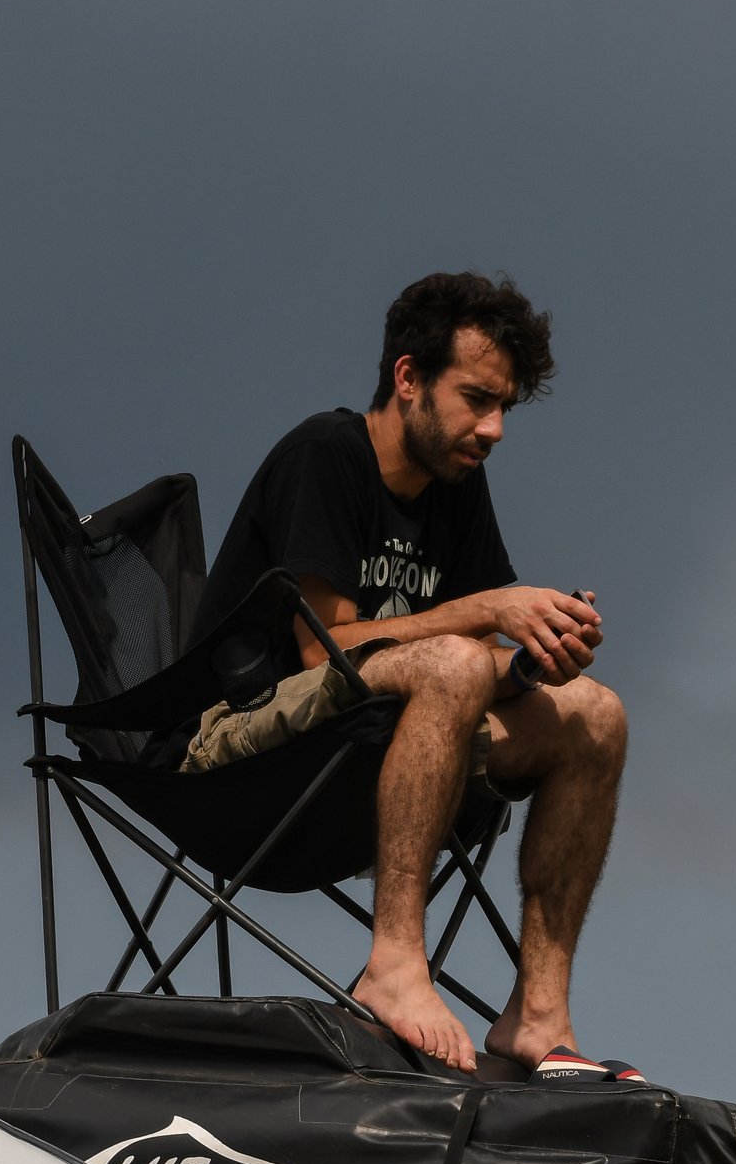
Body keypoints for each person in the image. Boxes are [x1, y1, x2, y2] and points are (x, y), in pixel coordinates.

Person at [196, 272, 624, 1074]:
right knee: (458, 659)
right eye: (476, 399)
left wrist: (536, 661)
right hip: (248, 755)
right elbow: (327, 649)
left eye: (505, 408)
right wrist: (491, 612)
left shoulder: (457, 480)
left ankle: (537, 1015)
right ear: (407, 377)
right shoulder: (326, 455)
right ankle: (394, 965)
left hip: (383, 743)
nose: (492, 428)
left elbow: (470, 662)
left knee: (595, 712)